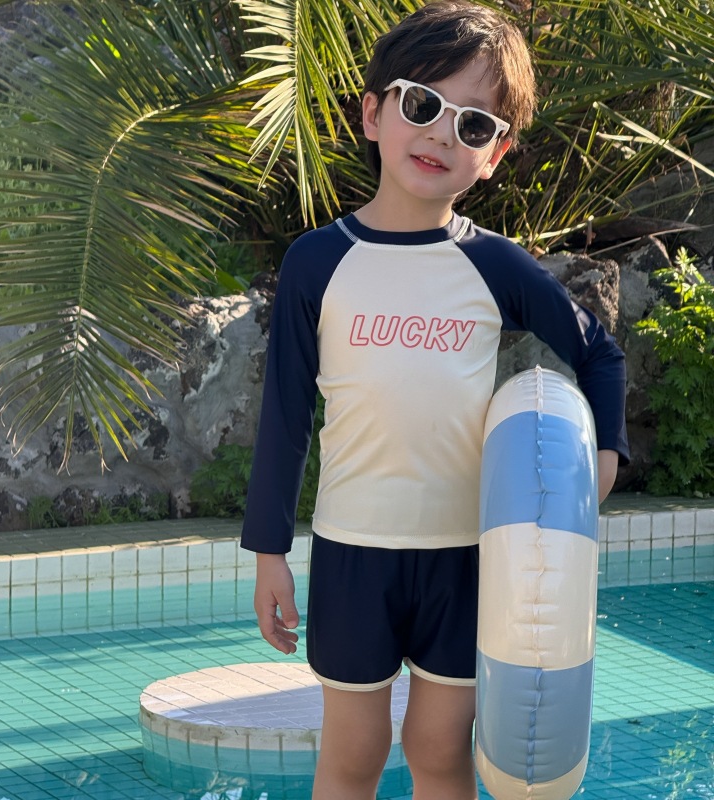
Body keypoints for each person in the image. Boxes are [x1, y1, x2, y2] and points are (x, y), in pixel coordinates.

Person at [240, 2, 630, 798]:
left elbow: (599, 352)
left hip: (465, 556)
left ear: (495, 154)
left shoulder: (496, 266)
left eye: (473, 123)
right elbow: (285, 417)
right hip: (353, 550)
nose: (443, 134)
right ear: (373, 113)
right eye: (422, 104)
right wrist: (269, 554)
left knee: (440, 750)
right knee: (352, 754)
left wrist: (604, 460)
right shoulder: (317, 262)